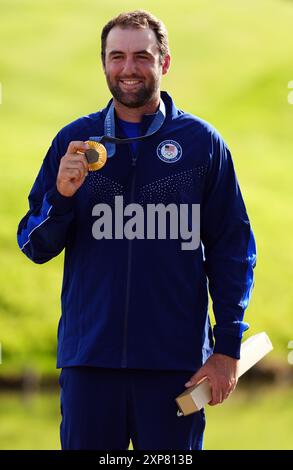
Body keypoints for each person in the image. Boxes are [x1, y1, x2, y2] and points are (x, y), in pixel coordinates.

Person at [17, 10, 256, 450]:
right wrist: (63, 196)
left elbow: (233, 250)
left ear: (164, 63)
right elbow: (35, 244)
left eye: (142, 56)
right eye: (117, 56)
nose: (129, 69)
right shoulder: (74, 140)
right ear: (104, 63)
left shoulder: (202, 143)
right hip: (90, 364)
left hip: (175, 366)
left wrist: (226, 349)